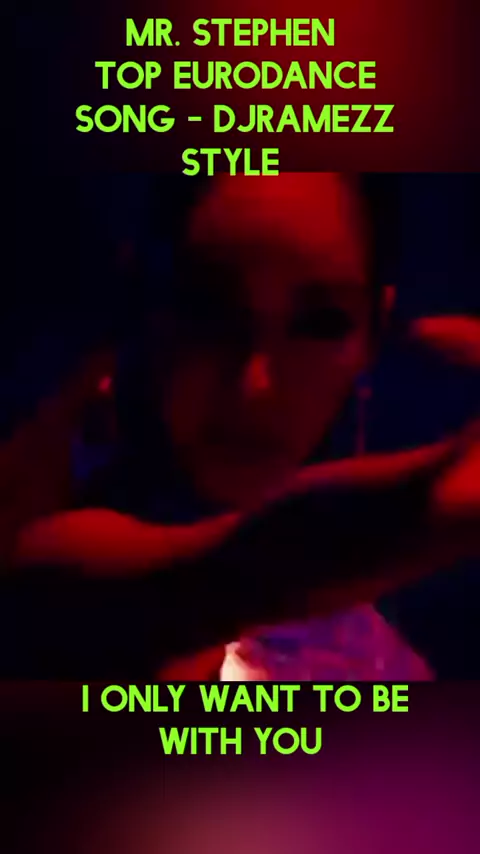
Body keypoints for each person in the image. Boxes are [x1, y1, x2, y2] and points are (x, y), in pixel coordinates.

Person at [3, 173, 479, 679]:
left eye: (322, 322)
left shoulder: (377, 651)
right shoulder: (56, 576)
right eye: (209, 309)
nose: (255, 386)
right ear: (143, 303)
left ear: (374, 332)